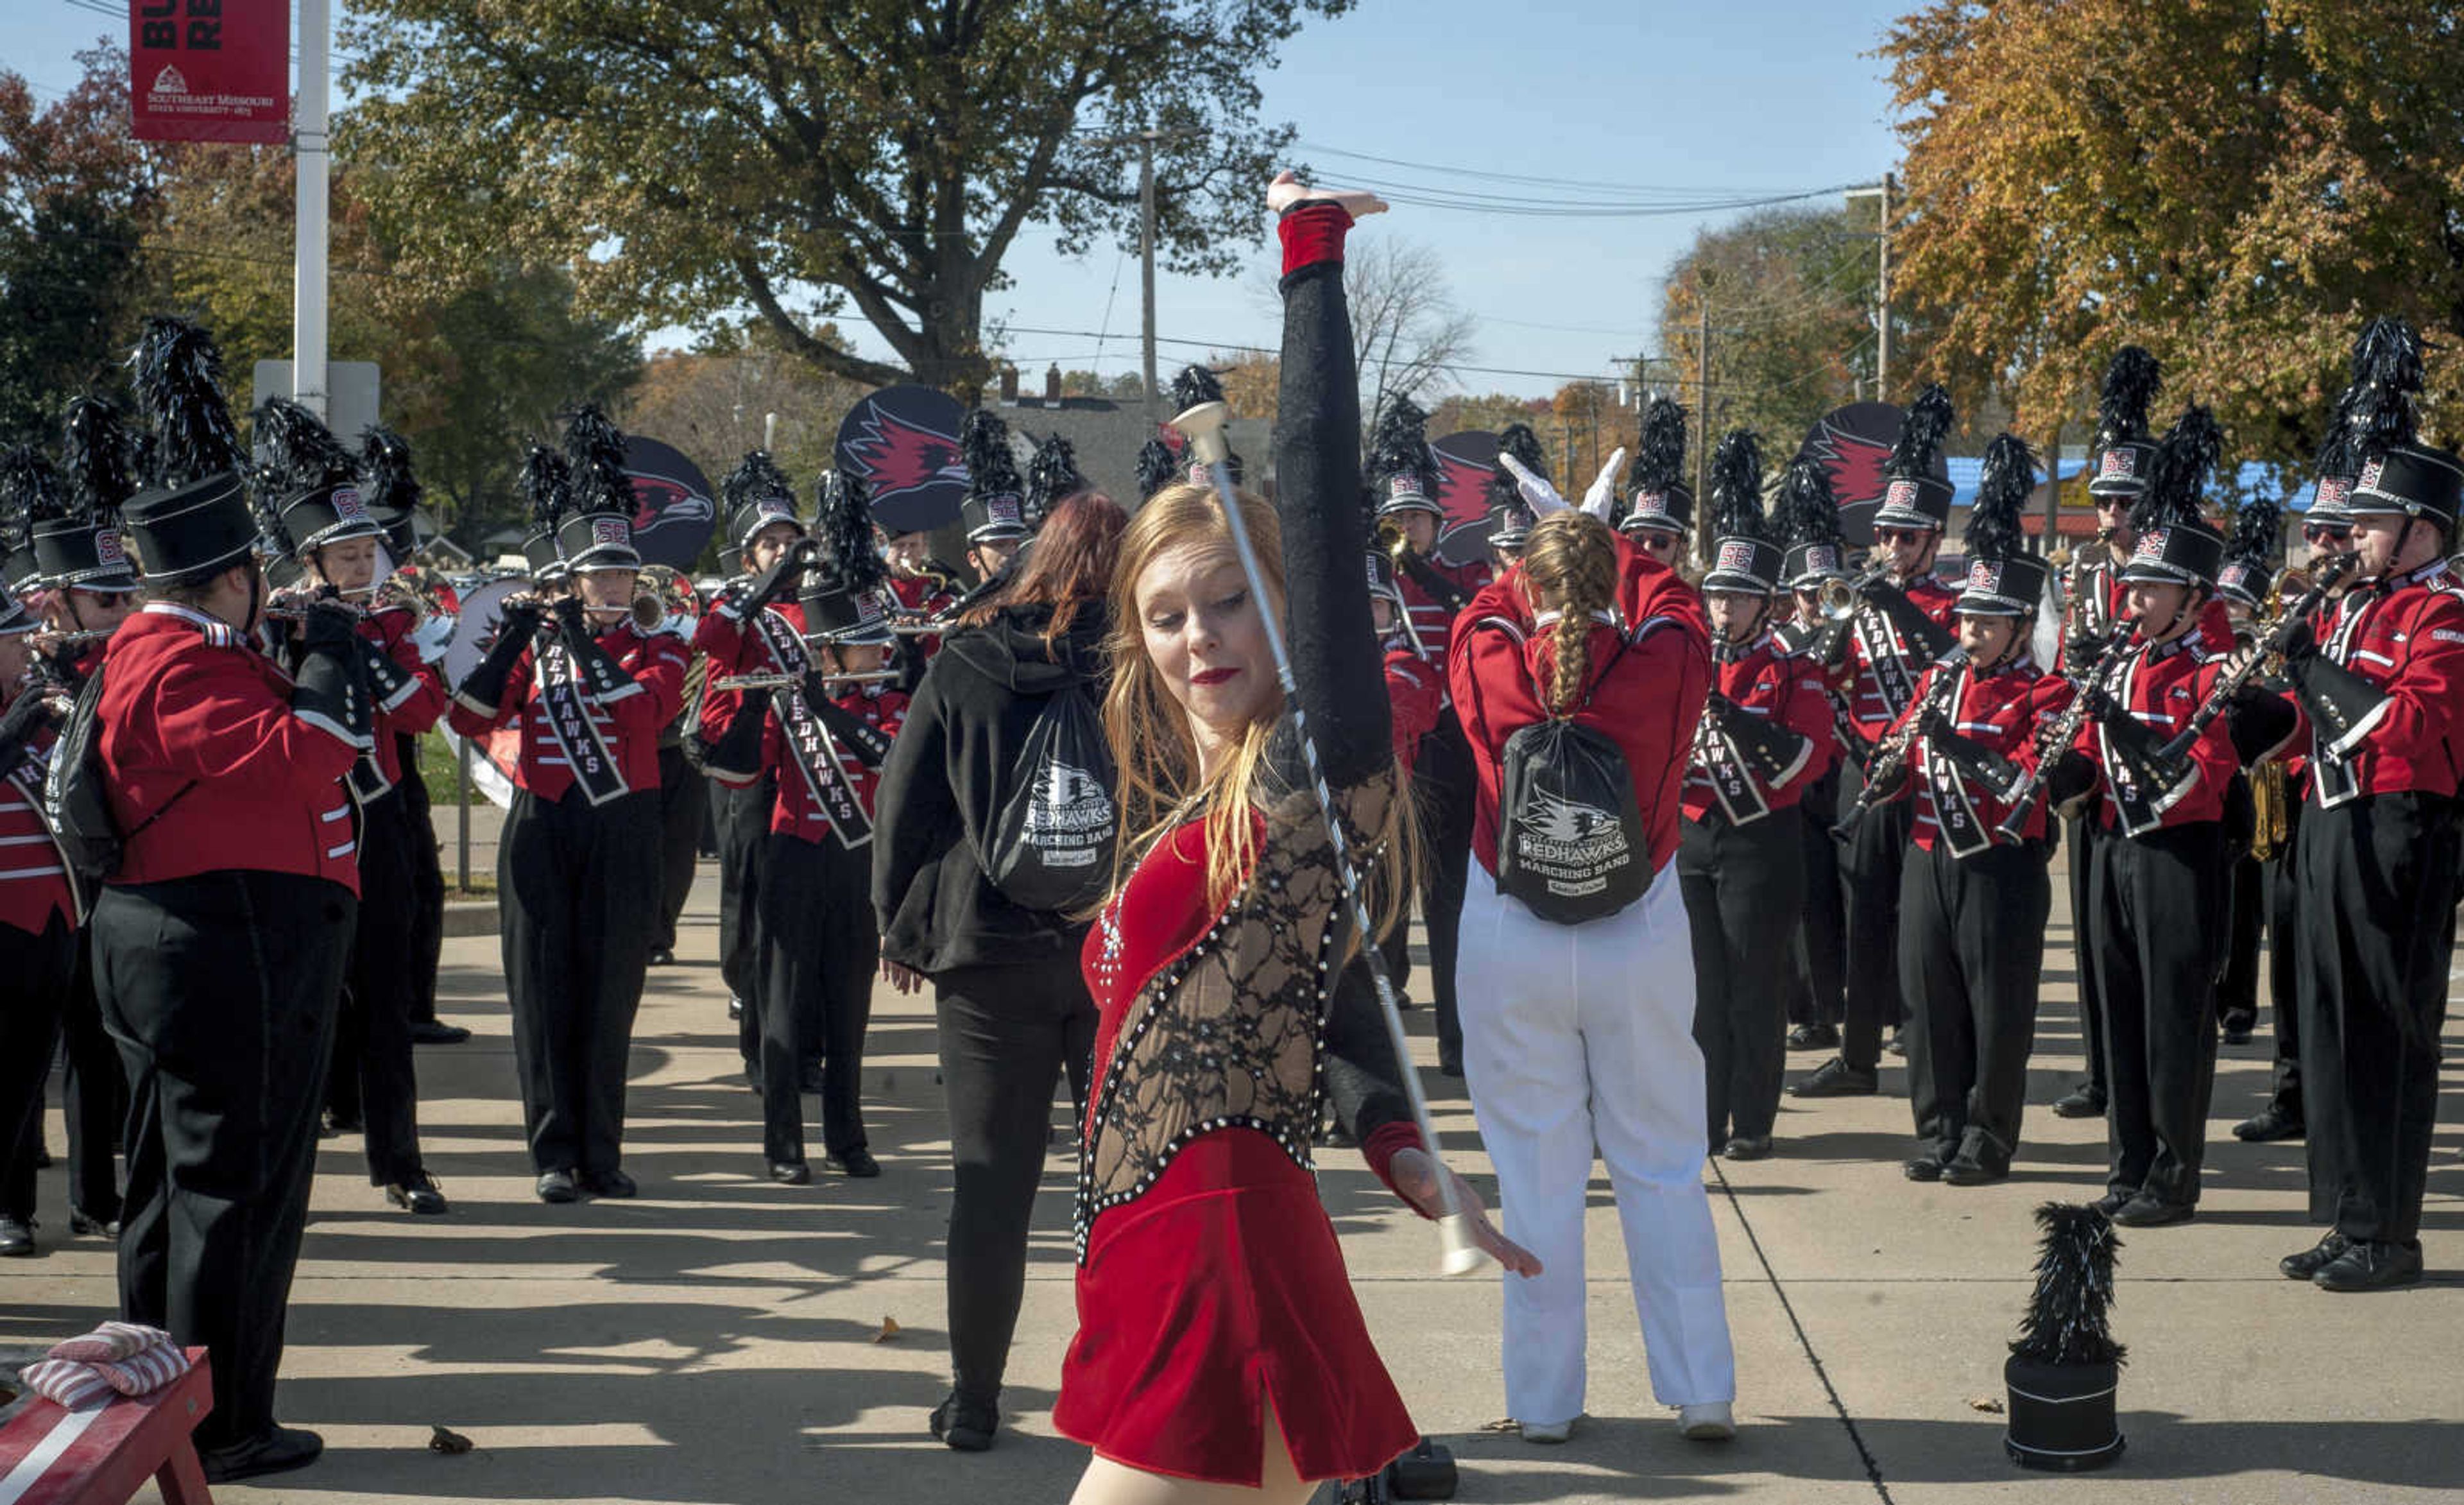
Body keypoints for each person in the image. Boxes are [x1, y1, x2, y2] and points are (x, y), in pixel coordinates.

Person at [1052, 172, 1528, 1505]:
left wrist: (1308, 269)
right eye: (1166, 615)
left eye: (1226, 604)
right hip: (1147, 1240)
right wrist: (1403, 1147)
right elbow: (1326, 1012)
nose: (1199, 635)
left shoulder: (1313, 777)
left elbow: (1318, 510)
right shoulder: (1189, 811)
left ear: (1276, 613)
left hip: (1223, 1242)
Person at [1453, 411, 1734, 1440]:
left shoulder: (1485, 647)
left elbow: (1488, 605)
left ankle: (1541, 1405)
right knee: (1662, 1165)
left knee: (1535, 1181)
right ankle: (1702, 1386)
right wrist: (1610, 542)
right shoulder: (1669, 657)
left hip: (1511, 932)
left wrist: (1545, 546)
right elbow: (1678, 604)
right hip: (1640, 930)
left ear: (1527, 579)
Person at [94, 454, 368, 1482]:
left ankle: (169, 1394)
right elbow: (314, 752)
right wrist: (333, 648)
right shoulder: (178, 662)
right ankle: (220, 1423)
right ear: (230, 577)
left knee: (179, 1186)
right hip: (225, 942)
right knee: (233, 1193)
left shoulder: (182, 649)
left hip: (203, 935)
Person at [873, 486, 1125, 1453]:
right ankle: (1128, 1389)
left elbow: (908, 806)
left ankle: (974, 1395)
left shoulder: (966, 658)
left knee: (990, 1187)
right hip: (1116, 948)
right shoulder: (1146, 659)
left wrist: (901, 929)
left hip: (986, 953)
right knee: (1127, 1183)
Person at [2260, 318, 2463, 1291]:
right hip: (2331, 826)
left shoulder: (2445, 613)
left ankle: (2391, 1233)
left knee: (2388, 1029)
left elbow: (2409, 727)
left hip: (2402, 834)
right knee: (2330, 1024)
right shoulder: (2355, 606)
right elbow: (2312, 728)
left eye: (2375, 525)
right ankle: (2346, 1217)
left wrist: (2309, 665)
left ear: (2424, 531)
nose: (2354, 539)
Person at [449, 408, 687, 1204]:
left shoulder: (660, 648)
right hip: (543, 825)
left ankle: (602, 1150)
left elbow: (642, 715)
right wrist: (517, 637)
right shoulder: (538, 648)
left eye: (624, 574)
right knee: (543, 988)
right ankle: (552, 1151)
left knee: (611, 989)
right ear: (574, 580)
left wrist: (578, 640)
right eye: (600, 574)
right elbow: (470, 717)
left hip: (624, 828)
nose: (616, 586)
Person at [253, 411, 451, 1215]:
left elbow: (421, 712)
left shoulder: (396, 621)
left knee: (386, 995)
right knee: (301, 1003)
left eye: (369, 551)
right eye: (349, 555)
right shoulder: (273, 630)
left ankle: (401, 1161)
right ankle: (288, 1163)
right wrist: (303, 633)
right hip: (304, 828)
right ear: (312, 562)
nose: (366, 564)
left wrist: (360, 639)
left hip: (383, 822)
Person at [1872, 436, 2073, 1185]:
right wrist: (1890, 770)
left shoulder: (2044, 694)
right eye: (1965, 621)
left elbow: (2021, 781)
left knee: (1998, 1011)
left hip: (2000, 862)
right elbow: (1900, 753)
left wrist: (1948, 743)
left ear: (2022, 627)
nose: (1969, 633)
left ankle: (1990, 1135)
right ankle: (1939, 1127)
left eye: (1987, 623)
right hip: (1929, 853)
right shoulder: (1941, 682)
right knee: (1928, 1000)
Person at [2069, 406, 2241, 1230]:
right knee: (2123, 1006)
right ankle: (2128, 1161)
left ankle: (2174, 1174)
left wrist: (2126, 733)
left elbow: (2201, 774)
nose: (2130, 598)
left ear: (2191, 594)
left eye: (2149, 586)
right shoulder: (2122, 656)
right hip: (2113, 844)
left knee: (2175, 1015)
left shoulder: (2211, 669)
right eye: (2131, 584)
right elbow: (2088, 762)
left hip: (2178, 852)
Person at [710, 472, 906, 1182]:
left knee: (849, 1006)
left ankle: (848, 1139)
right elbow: (736, 769)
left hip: (858, 865)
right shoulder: (788, 701)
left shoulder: (888, 706)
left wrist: (830, 710)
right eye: (866, 648)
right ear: (831, 653)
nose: (881, 656)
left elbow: (888, 757)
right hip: (792, 855)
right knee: (785, 1005)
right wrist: (749, 715)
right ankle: (783, 1144)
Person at [1794, 386, 1961, 1101]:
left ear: (1933, 539)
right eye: (1884, 534)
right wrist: (1844, 617)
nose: (1889, 546)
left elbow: (1956, 660)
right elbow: (1825, 670)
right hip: (1864, 775)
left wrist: (1899, 608)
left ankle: (1927, 1050)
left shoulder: (1955, 604)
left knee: (1921, 934)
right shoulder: (1861, 598)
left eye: (1905, 536)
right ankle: (1857, 1056)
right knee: (1862, 922)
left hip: (1927, 778)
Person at [1679, 431, 1831, 1160]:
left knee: (1752, 988)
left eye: (1737, 598)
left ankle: (1754, 1121)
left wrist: (1736, 718)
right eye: (1717, 595)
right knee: (1700, 995)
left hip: (1760, 841)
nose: (1723, 609)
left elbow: (1806, 757)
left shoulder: (1791, 665)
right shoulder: (1689, 656)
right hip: (1692, 839)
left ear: (1767, 603)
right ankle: (1704, 1119)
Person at [1367, 392, 1491, 1076]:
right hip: (1392, 753)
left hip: (1451, 750)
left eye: (1416, 515)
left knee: (1449, 905)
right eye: (1396, 517)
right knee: (1384, 901)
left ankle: (1457, 1041)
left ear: (1436, 521)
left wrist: (1425, 576)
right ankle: (1385, 1046)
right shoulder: (1371, 581)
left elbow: (1475, 620)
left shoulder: (1461, 576)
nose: (1407, 526)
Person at [2051, 347, 2159, 1121]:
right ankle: (2097, 1070)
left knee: (2141, 943)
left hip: (2150, 770)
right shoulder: (2084, 570)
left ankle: (2143, 1073)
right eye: (2105, 501)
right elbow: (2060, 660)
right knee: (2090, 931)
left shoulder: (2174, 574)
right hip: (2090, 768)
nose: (2112, 515)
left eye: (2126, 502)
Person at [697, 451, 813, 1071]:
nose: (783, 552)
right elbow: (711, 643)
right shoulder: (732, 606)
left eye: (790, 541)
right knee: (748, 898)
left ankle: (803, 1034)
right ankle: (753, 1018)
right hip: (748, 774)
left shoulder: (818, 602)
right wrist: (763, 589)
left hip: (811, 775)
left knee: (802, 905)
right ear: (749, 558)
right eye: (769, 544)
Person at [1767, 457, 1855, 1052]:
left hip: (1846, 773)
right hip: (1795, 777)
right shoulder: (1777, 643)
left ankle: (1854, 1001)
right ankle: (1811, 1009)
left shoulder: (1851, 628)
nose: (1819, 603)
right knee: (1799, 900)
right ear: (1793, 595)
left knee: (1845, 894)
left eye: (1827, 593)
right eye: (1809, 594)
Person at [0, 580, 74, 1259]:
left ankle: (14, 1206)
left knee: (26, 1078)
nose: (26, 644)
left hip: (51, 911)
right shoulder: (17, 715)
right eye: (12, 638)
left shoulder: (33, 703)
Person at [1617, 397, 1694, 572]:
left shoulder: (1688, 601)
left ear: (1682, 549)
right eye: (1637, 540)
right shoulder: (1609, 599)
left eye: (1661, 542)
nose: (1647, 548)